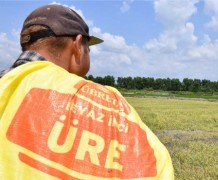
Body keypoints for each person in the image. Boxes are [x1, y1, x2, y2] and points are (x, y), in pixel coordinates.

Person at [0, 4, 174, 179]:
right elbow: (156, 167)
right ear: (76, 45)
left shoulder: (6, 83)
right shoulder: (111, 104)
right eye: (88, 49)